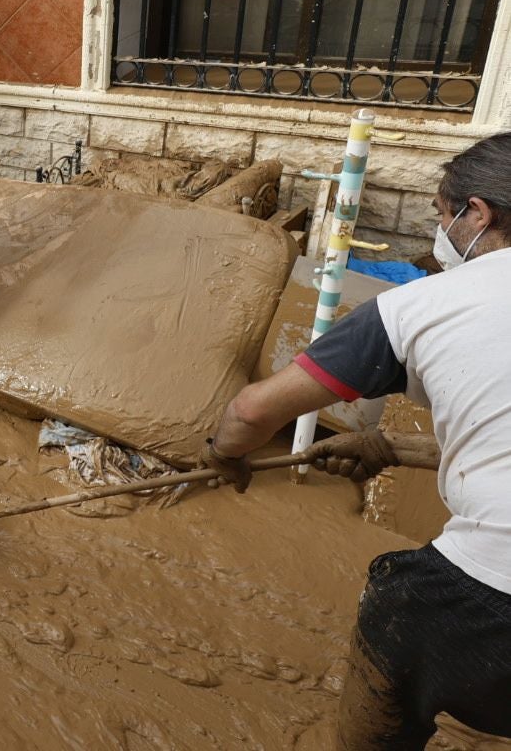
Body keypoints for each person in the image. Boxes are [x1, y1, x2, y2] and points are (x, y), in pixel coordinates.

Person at [200, 132, 511, 749]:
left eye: (444, 217)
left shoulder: (421, 307)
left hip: (488, 594)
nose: (444, 233)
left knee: (402, 609)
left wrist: (222, 455)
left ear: (479, 214)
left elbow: (251, 410)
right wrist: (390, 448)